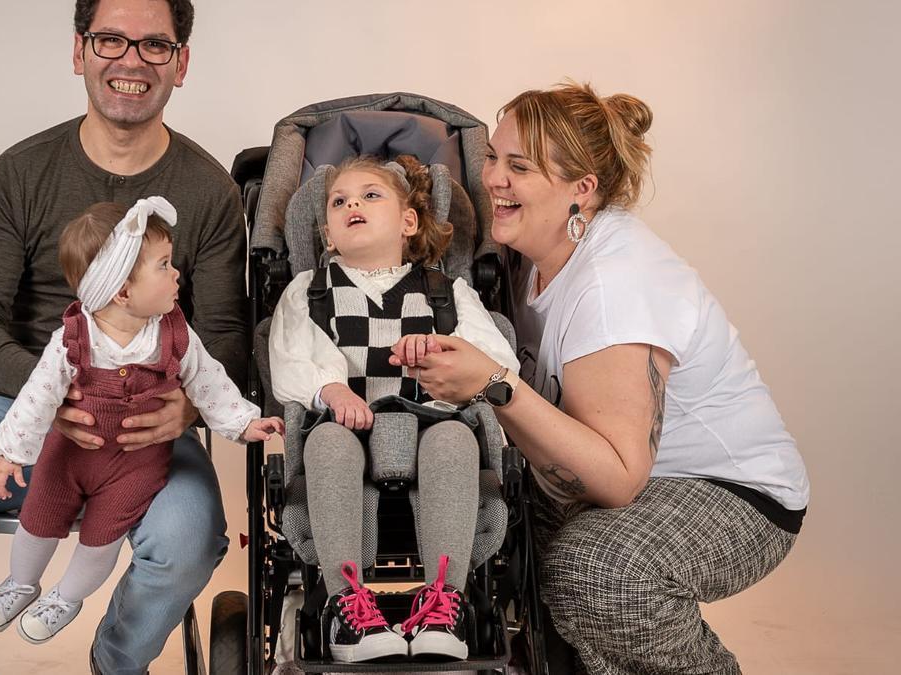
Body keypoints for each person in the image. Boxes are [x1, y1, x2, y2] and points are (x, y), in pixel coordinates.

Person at [0, 1, 249, 673]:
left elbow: (227, 336)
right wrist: (53, 390)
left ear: (181, 63)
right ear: (79, 51)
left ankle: (114, 661)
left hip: (144, 428)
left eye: (155, 45)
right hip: (19, 411)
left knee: (189, 534)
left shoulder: (207, 190)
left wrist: (186, 406)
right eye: (110, 40)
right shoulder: (23, 171)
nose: (130, 60)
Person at [404, 82, 809, 674]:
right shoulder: (521, 255)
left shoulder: (616, 284)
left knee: (595, 572)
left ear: (582, 191)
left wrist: (493, 383)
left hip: (731, 491)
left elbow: (617, 478)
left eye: (519, 167)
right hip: (608, 471)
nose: (493, 179)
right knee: (489, 522)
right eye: (493, 157)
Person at [0, 198, 281, 645]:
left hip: (136, 465)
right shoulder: (74, 339)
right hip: (69, 456)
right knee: (37, 519)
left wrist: (243, 422)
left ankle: (66, 596)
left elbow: (208, 380)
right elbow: (37, 397)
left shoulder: (174, 333)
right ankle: (20, 583)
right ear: (121, 291)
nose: (177, 274)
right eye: (164, 266)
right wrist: (10, 453)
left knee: (102, 540)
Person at [268, 155, 521, 663]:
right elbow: (288, 357)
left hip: (431, 423)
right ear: (328, 235)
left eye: (369, 196)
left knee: (456, 439)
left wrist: (437, 351)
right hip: (346, 426)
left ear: (409, 222)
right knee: (327, 440)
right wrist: (331, 391)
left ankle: (444, 603)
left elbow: (498, 363)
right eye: (339, 202)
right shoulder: (311, 293)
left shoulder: (447, 294)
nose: (352, 205)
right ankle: (348, 607)